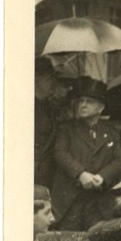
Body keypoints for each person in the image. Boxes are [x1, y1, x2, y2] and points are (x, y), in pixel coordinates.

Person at [51, 82, 121, 231]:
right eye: (81, 101)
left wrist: (102, 177)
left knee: (98, 236)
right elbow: (60, 154)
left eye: (89, 102)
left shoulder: (111, 132)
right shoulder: (66, 129)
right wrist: (81, 174)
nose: (83, 105)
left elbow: (119, 161)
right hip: (71, 199)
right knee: (67, 238)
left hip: (99, 201)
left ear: (101, 108)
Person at [34, 57, 70, 188]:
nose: (54, 82)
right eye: (50, 78)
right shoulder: (24, 107)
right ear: (36, 78)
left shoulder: (51, 106)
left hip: (48, 173)